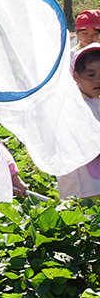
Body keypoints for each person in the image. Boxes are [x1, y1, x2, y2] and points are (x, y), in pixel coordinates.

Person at [60, 43, 100, 201]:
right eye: (91, 75)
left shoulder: (95, 100)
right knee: (85, 218)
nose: (98, 80)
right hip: (82, 186)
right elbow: (90, 146)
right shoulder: (73, 105)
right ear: (75, 76)